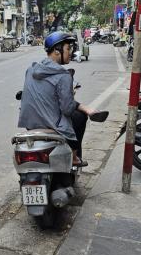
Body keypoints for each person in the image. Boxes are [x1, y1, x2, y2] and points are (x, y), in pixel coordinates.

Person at [18, 32, 98, 167]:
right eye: (68, 48)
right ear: (56, 51)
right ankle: (73, 155)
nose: (71, 52)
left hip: (29, 124)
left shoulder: (30, 70)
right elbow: (67, 109)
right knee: (80, 117)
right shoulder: (64, 76)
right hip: (52, 126)